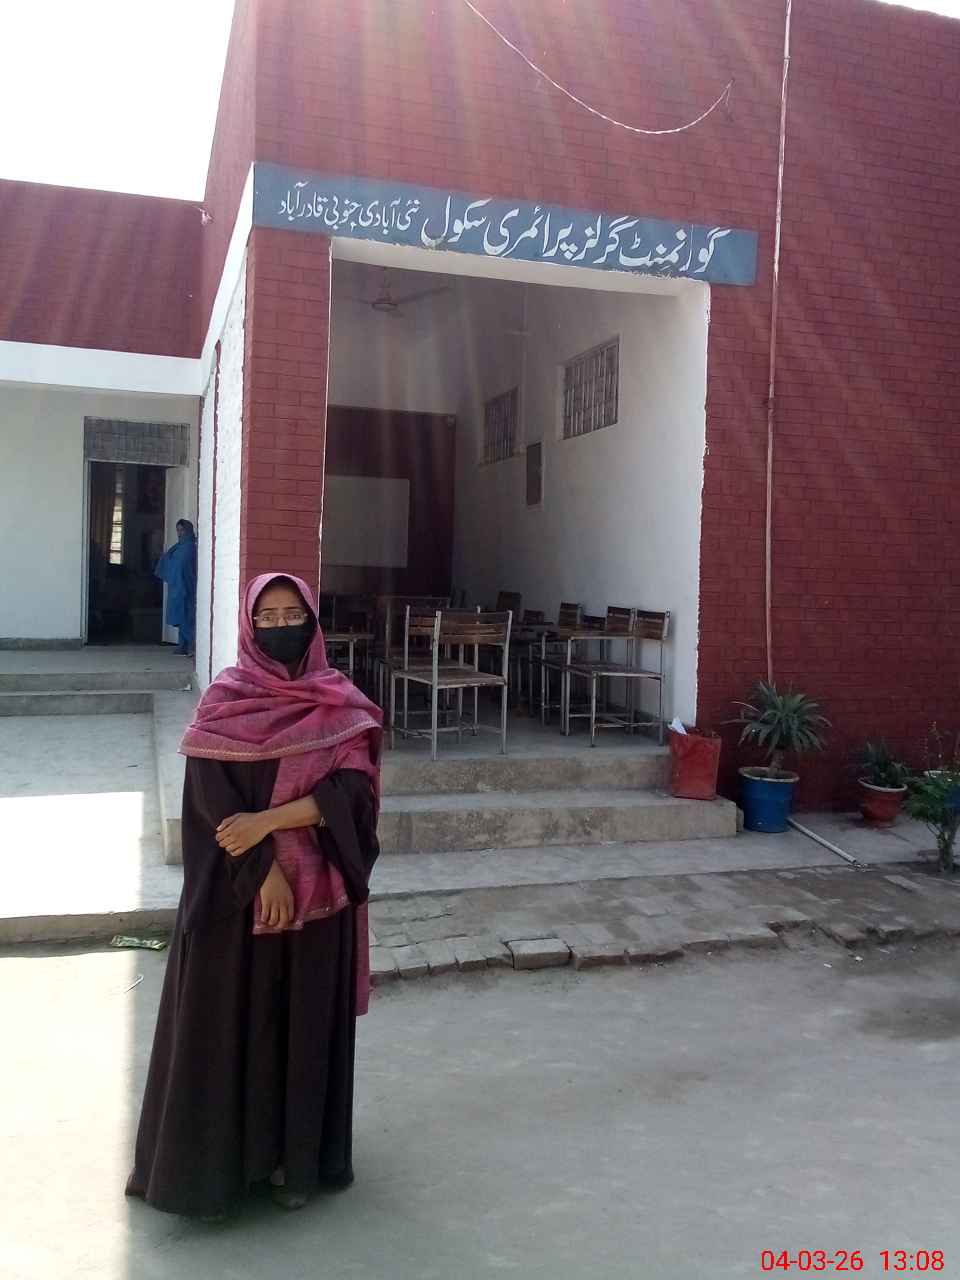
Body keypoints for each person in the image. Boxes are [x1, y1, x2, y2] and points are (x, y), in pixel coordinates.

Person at [126, 573, 383, 1219]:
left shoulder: (340, 704)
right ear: (249, 625)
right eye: (267, 616)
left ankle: (295, 1163)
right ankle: (219, 1174)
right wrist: (262, 873)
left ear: (312, 621)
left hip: (318, 901)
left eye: (292, 614)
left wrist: (268, 823)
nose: (280, 625)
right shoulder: (224, 701)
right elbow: (210, 802)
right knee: (230, 1030)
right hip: (238, 902)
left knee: (302, 1029)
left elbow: (352, 796)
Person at [155, 519, 197, 656]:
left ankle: (192, 646)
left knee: (186, 617)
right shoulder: (178, 547)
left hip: (187, 587)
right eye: (178, 530)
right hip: (177, 587)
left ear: (188, 530)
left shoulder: (191, 547)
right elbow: (171, 563)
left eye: (182, 530)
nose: (179, 533)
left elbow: (186, 568)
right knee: (180, 616)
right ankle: (182, 645)